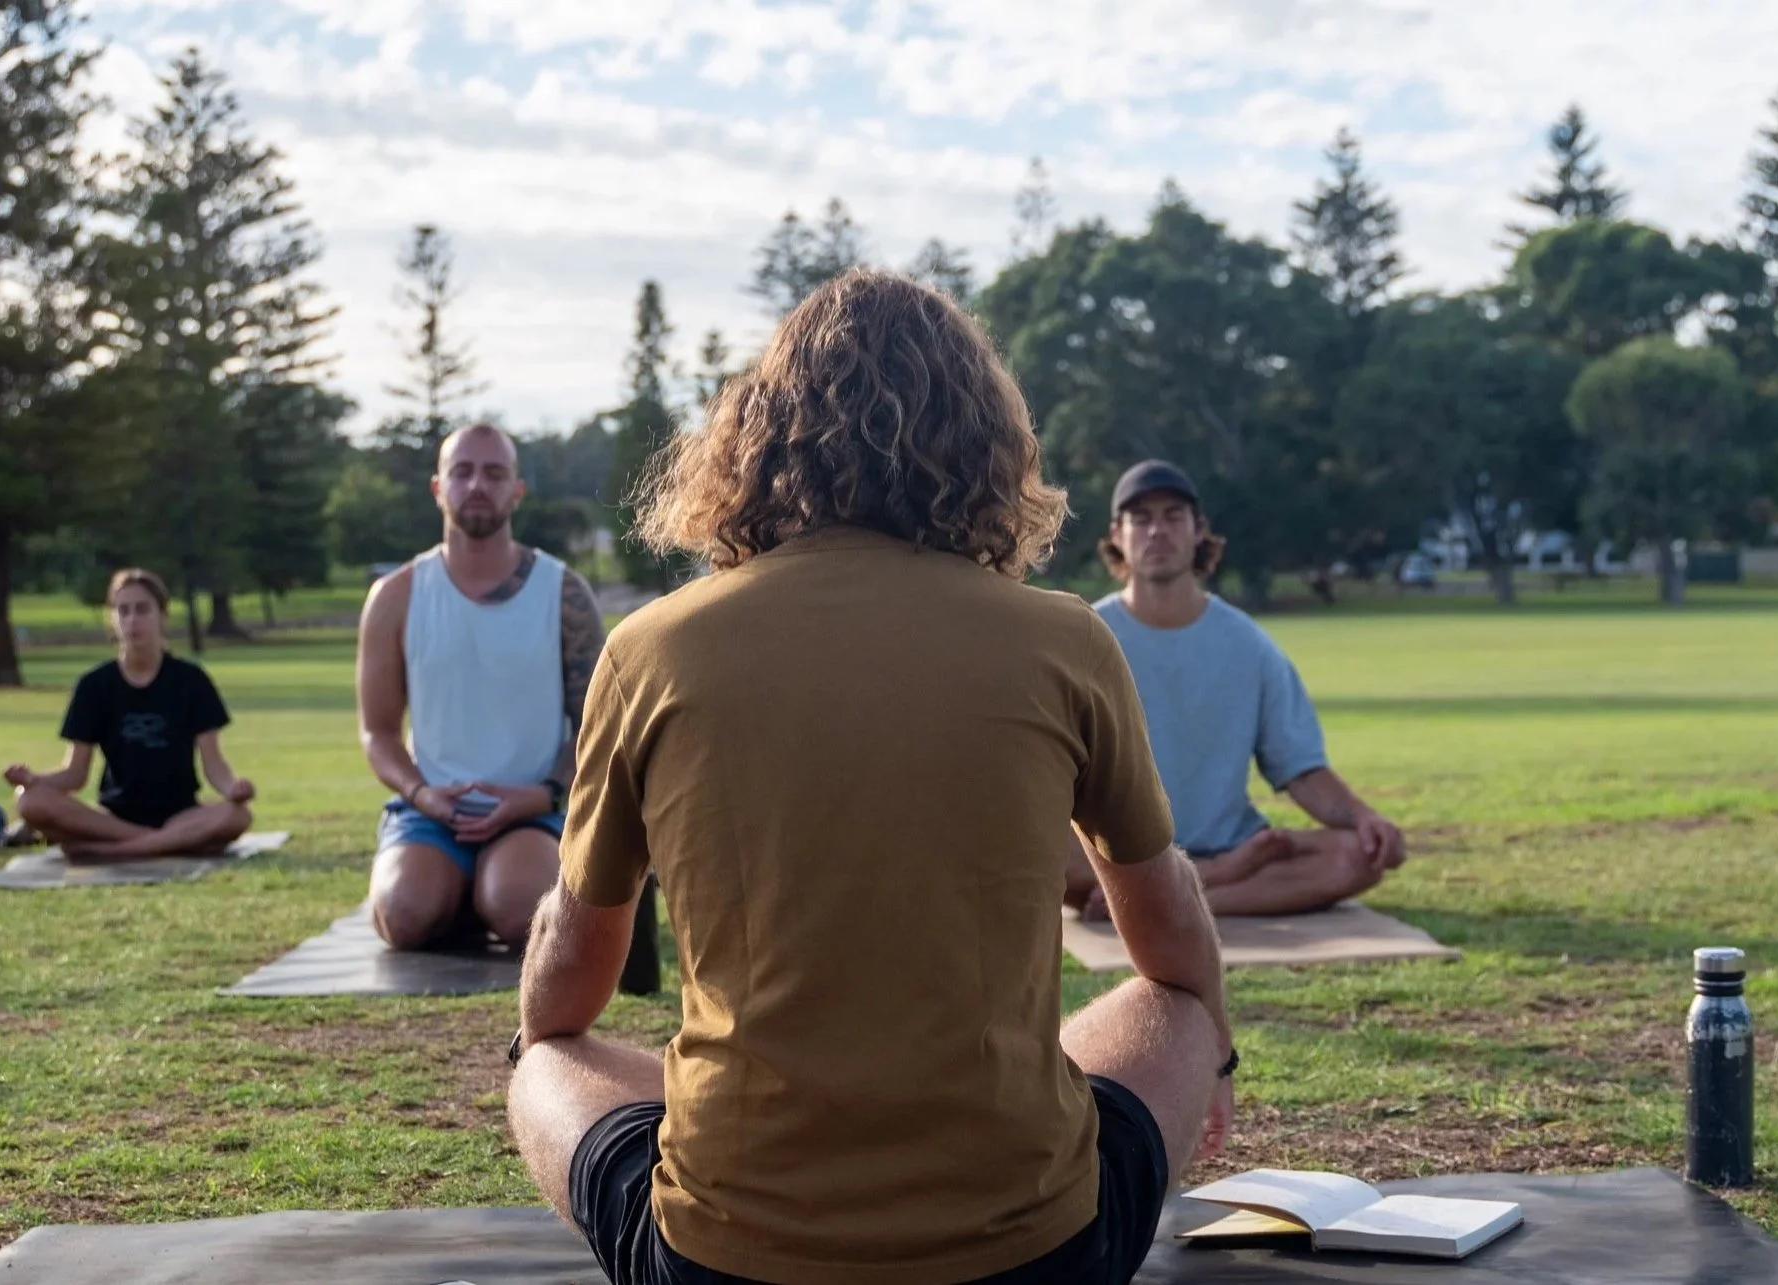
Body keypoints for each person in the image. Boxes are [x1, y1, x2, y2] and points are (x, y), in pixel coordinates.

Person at [506, 270, 1237, 1285]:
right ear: (989, 443)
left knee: (544, 1060)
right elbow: (1170, 940)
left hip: (729, 1256)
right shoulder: (1066, 641)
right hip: (1030, 1251)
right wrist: (1217, 1051)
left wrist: (540, 1033)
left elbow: (570, 986)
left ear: (755, 438)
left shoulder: (650, 650)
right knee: (1182, 1005)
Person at [1066, 460, 1407, 920]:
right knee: (1040, 853)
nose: (1157, 531)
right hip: (1123, 855)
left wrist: (1366, 819)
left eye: (1173, 516)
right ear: (1117, 535)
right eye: (1141, 519)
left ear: (1198, 530)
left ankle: (1184, 898)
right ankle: (1193, 885)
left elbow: (1301, 770)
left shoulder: (1249, 645)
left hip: (1233, 844)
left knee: (1357, 857)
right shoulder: (1085, 637)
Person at [356, 422, 607, 953]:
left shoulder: (562, 592)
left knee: (521, 914)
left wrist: (541, 795)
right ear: (438, 487)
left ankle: (485, 889)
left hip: (533, 808)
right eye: (462, 472)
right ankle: (451, 887)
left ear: (517, 490)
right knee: (403, 916)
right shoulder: (395, 596)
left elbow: (596, 729)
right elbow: (378, 733)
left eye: (495, 474)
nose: (477, 485)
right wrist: (423, 794)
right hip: (432, 811)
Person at [4, 569, 254, 860]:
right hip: (113, 819)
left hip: (181, 814)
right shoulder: (94, 685)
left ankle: (117, 851)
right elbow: (75, 774)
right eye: (123, 611)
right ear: (112, 619)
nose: (133, 620)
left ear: (162, 616)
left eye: (143, 609)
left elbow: (214, 764)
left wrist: (233, 789)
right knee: (28, 801)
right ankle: (160, 843)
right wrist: (33, 779)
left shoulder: (191, 680)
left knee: (237, 816)